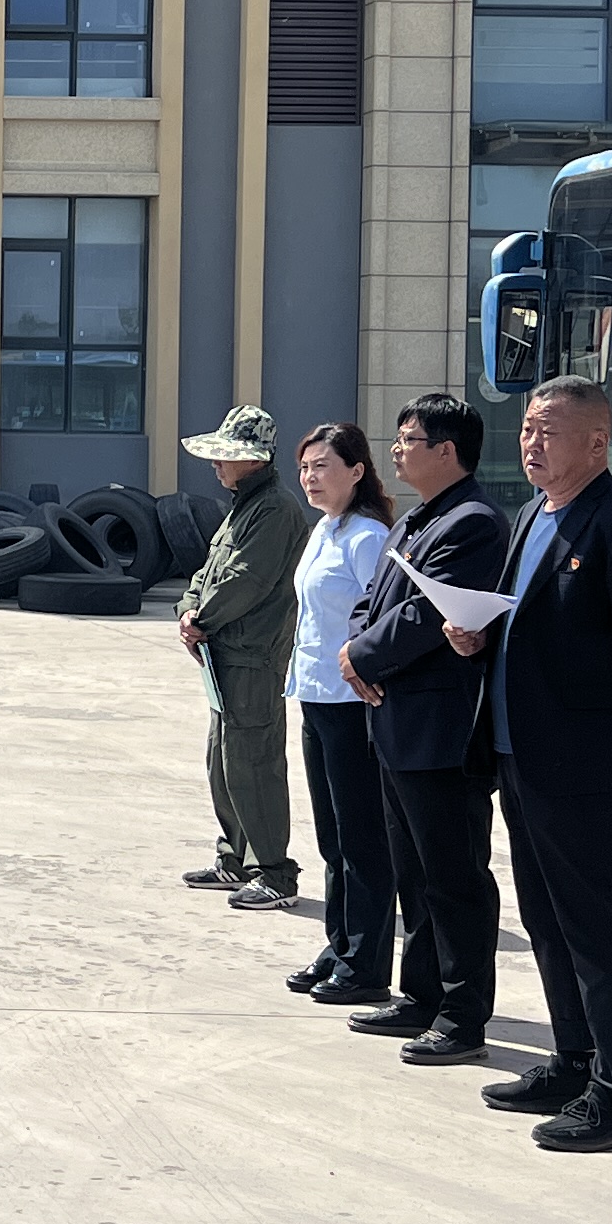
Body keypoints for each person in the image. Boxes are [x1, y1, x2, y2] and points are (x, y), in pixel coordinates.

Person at [461, 376, 612, 1154]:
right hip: (517, 752)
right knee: (547, 918)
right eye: (526, 429)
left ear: (596, 442)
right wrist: (473, 636)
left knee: (598, 927)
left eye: (548, 431)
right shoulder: (531, 515)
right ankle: (573, 1059)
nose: (531, 443)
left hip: (583, 762)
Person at [336, 393, 506, 1065]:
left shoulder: (474, 523)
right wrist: (355, 649)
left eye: (409, 440)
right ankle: (422, 994)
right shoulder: (414, 519)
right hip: (395, 721)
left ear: (447, 450)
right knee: (413, 871)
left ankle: (462, 1015)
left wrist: (363, 656)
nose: (397, 450)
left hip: (441, 730)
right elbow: (371, 602)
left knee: (453, 877)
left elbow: (426, 619)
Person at [278, 423, 396, 1004]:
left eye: (322, 466)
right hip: (315, 696)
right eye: (304, 467)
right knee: (332, 837)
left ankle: (365, 964)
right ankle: (339, 945)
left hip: (352, 701)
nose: (310, 478)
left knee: (361, 838)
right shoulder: (323, 529)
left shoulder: (369, 536)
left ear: (356, 471)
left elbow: (381, 616)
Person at [174, 404, 310, 907]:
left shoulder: (275, 509)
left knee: (253, 763)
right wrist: (188, 610)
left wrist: (202, 619)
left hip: (253, 656)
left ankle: (274, 871)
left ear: (254, 459)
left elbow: (245, 581)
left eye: (225, 455)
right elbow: (207, 572)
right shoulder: (245, 505)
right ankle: (235, 859)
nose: (216, 464)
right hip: (225, 655)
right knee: (223, 762)